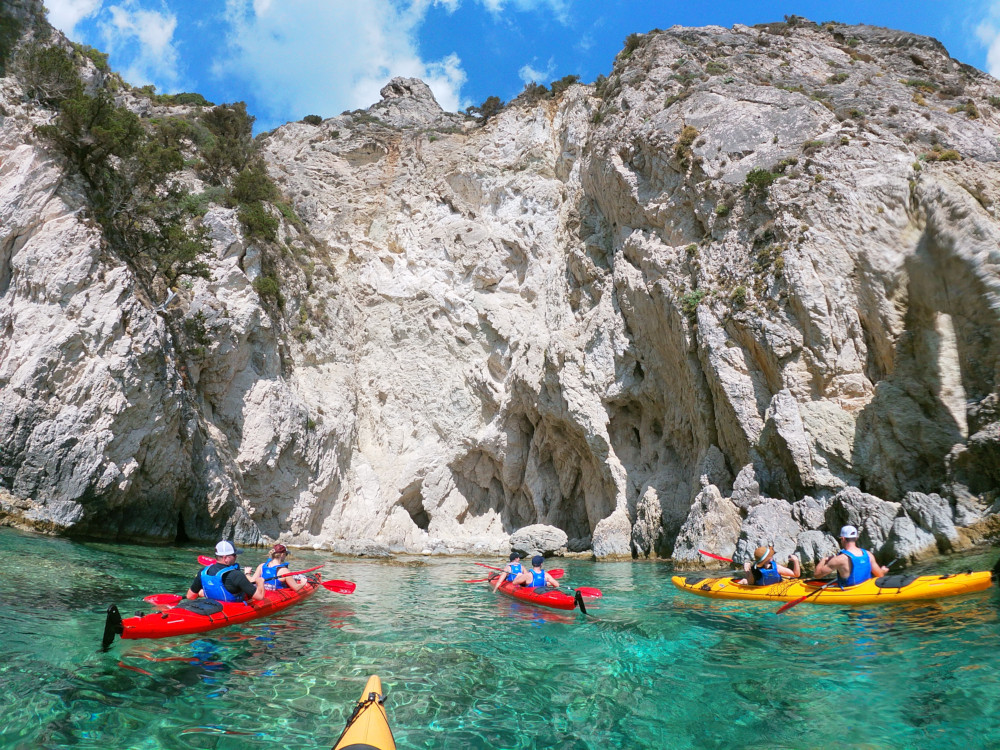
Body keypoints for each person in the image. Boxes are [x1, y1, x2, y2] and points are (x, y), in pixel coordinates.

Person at [186, 540, 265, 603]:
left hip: (211, 606)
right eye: (234, 555)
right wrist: (260, 581)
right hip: (233, 610)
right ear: (225, 558)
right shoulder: (236, 575)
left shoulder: (203, 572)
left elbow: (190, 596)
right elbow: (260, 597)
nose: (236, 557)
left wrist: (205, 592)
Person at [813, 525, 889, 586]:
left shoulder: (839, 559)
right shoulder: (868, 554)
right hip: (866, 588)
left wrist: (824, 560)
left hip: (850, 592)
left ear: (843, 538)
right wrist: (882, 570)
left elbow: (817, 575)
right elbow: (880, 575)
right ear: (856, 538)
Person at [734, 545, 800, 585]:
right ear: (769, 558)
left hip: (762, 587)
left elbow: (750, 583)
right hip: (775, 586)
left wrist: (748, 571)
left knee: (744, 580)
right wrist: (796, 560)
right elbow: (796, 574)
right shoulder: (777, 567)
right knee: (786, 576)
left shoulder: (755, 570)